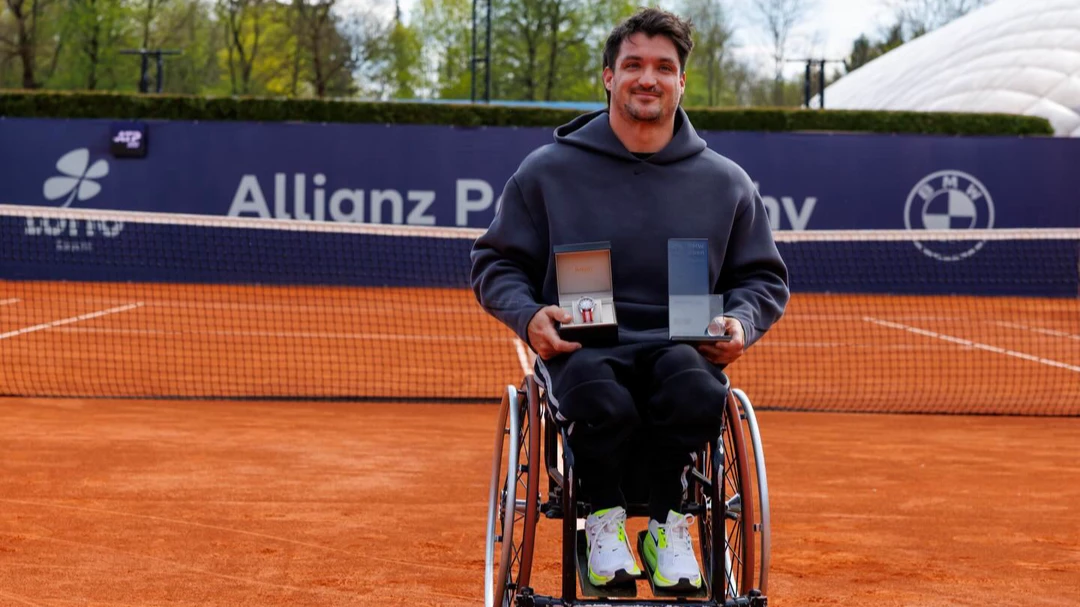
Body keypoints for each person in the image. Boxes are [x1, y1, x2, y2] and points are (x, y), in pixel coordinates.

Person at [470, 7, 788, 592]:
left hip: (681, 344)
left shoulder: (726, 182)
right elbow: (496, 263)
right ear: (608, 77)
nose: (649, 78)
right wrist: (529, 314)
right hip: (584, 347)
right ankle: (605, 521)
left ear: (682, 82)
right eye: (634, 64)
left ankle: (667, 525)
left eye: (664, 67)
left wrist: (740, 322)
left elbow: (763, 279)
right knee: (598, 398)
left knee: (698, 392)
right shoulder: (547, 171)